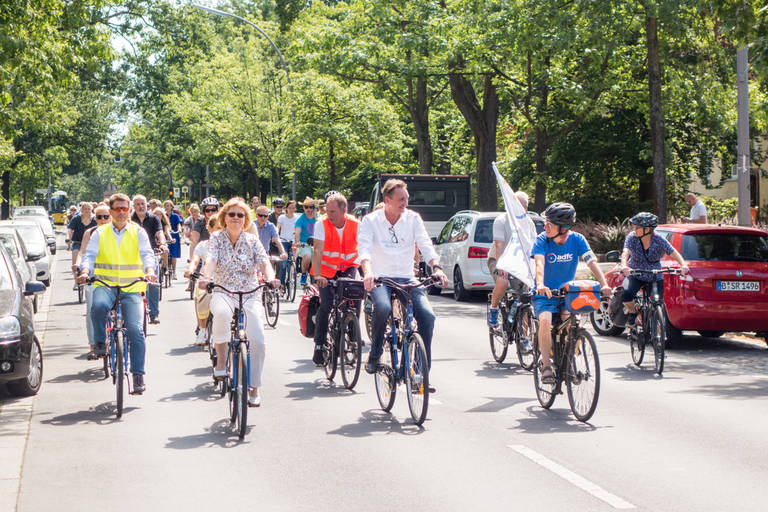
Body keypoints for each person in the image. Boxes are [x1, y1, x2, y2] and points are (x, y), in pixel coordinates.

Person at [358, 179, 448, 387]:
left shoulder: (412, 219)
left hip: (407, 277)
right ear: (387, 200)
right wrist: (368, 272)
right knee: (382, 308)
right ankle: (375, 352)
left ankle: (419, 372)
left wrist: (437, 267)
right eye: (400, 199)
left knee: (427, 316)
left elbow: (425, 244)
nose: (405, 203)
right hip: (381, 277)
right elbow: (364, 250)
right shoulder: (371, 221)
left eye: (406, 199)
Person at [198, 198, 280, 407]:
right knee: (223, 314)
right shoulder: (216, 238)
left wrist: (270, 278)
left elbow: (264, 262)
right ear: (224, 217)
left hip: (250, 292)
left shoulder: (252, 241)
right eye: (232, 214)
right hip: (223, 290)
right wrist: (206, 277)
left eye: (240, 215)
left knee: (259, 341)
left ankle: (254, 386)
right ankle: (221, 357)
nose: (236, 218)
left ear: (245, 220)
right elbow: (211, 261)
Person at [77, 193, 157, 394]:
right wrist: (85, 271)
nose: (121, 213)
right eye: (117, 209)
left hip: (131, 287)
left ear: (129, 210)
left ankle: (138, 375)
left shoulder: (138, 232)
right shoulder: (100, 233)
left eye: (124, 209)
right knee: (98, 306)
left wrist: (150, 271)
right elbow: (90, 255)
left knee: (136, 331)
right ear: (110, 211)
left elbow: (147, 254)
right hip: (106, 284)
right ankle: (99, 342)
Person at [531, 202, 611, 385]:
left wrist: (604, 284)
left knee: (572, 322)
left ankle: (570, 361)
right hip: (546, 292)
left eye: (549, 224)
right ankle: (546, 366)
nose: (545, 227)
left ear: (563, 228)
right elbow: (539, 264)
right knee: (545, 320)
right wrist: (541, 284)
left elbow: (591, 262)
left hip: (568, 292)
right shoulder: (542, 240)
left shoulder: (578, 240)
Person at [620, 212, 689, 338]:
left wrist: (683, 265)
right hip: (635, 272)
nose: (634, 229)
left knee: (657, 302)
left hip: (654, 275)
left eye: (637, 227)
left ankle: (657, 328)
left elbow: (673, 252)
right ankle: (632, 312)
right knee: (625, 294)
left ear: (647, 229)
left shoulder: (658, 239)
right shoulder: (632, 237)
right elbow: (626, 252)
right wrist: (624, 266)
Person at [310, 192, 360, 365]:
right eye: (327, 210)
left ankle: (353, 335)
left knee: (354, 299)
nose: (328, 215)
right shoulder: (321, 224)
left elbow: (364, 248)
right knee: (327, 304)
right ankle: (319, 344)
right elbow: (317, 250)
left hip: (348, 268)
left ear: (344, 210)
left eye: (333, 212)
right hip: (325, 271)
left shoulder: (356, 224)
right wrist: (318, 275)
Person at [486, 192, 536, 352]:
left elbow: (533, 247)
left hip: (519, 262)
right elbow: (499, 245)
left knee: (525, 298)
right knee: (503, 281)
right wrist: (503, 266)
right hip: (499, 258)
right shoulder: (501, 220)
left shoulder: (529, 223)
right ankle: (494, 309)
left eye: (522, 206)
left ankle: (523, 337)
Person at [75, 203, 112, 359]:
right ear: (94, 218)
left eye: (105, 216)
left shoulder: (117, 232)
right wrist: (78, 264)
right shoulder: (90, 233)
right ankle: (94, 344)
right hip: (93, 277)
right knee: (92, 309)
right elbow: (82, 252)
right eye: (99, 217)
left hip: (115, 277)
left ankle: (120, 336)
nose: (102, 220)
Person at [132, 195, 167, 324]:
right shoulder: (130, 219)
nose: (141, 206)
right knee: (133, 284)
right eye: (138, 204)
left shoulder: (153, 218)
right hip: (133, 256)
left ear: (146, 205)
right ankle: (134, 312)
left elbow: (160, 233)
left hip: (150, 253)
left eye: (143, 204)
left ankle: (154, 314)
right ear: (133, 206)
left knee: (153, 283)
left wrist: (163, 244)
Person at [185, 216, 219, 345]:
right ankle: (203, 329)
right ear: (209, 229)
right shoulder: (203, 245)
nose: (219, 231)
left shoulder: (229, 245)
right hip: (207, 279)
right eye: (216, 228)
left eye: (222, 228)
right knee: (200, 296)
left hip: (224, 282)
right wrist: (191, 270)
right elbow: (195, 259)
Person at [188, 197, 220, 290]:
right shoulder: (199, 222)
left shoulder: (223, 221)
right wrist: (192, 261)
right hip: (204, 253)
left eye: (213, 210)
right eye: (207, 210)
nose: (210, 213)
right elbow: (194, 241)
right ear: (204, 211)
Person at [67, 202, 96, 286]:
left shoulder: (94, 220)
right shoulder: (76, 218)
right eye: (85, 209)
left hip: (90, 243)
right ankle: (76, 280)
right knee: (75, 260)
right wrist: (68, 238)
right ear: (81, 210)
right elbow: (69, 229)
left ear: (91, 210)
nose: (87, 210)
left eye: (88, 209)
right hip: (78, 242)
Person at [294, 197, 318, 286]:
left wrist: (316, 217)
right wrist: (297, 242)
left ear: (314, 208)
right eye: (306, 207)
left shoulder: (318, 218)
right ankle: (303, 274)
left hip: (317, 244)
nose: (309, 209)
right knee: (307, 255)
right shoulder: (301, 219)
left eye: (311, 207)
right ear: (303, 208)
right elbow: (297, 232)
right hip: (304, 244)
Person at [276, 200, 297, 284]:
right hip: (283, 241)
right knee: (284, 263)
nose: (291, 209)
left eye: (293, 208)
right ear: (286, 208)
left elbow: (298, 229)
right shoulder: (281, 217)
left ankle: (291, 278)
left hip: (293, 241)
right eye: (290, 208)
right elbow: (278, 228)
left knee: (292, 261)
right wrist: (276, 236)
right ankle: (282, 284)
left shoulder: (297, 218)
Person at [164, 200, 184, 279]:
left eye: (168, 205)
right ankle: (164, 268)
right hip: (165, 236)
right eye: (165, 205)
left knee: (174, 255)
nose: (167, 207)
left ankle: (174, 272)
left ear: (172, 207)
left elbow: (178, 224)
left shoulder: (175, 216)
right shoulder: (163, 215)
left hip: (174, 235)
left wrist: (179, 230)